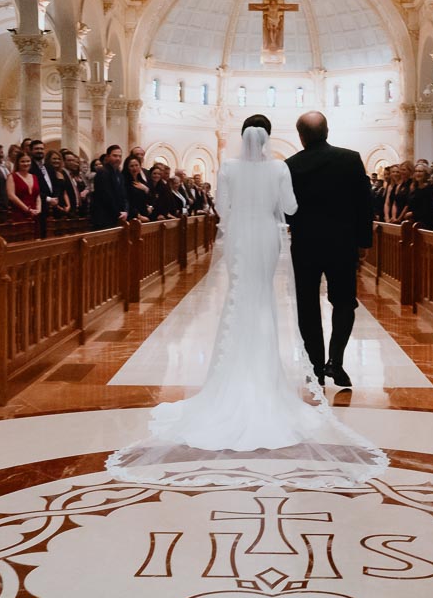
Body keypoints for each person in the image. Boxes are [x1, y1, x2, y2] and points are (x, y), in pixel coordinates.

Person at [106, 120, 386, 489]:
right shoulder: (291, 165)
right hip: (293, 241)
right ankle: (323, 364)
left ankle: (308, 366)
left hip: (249, 240)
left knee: (255, 300)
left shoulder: (248, 166)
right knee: (305, 302)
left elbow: (226, 207)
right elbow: (293, 206)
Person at [286, 111, 374, 390]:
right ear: (327, 131)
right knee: (345, 301)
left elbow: (287, 211)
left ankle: (315, 366)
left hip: (305, 246)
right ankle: (336, 361)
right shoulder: (350, 158)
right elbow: (364, 203)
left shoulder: (290, 165)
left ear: (300, 136)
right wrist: (364, 242)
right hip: (342, 244)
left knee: (308, 305)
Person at [89, 145, 129, 230]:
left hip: (118, 216)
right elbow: (106, 196)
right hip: (104, 218)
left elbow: (123, 195)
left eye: (120, 156)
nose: (118, 158)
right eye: (115, 156)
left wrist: (125, 211)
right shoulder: (102, 172)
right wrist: (118, 213)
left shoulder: (119, 174)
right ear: (107, 157)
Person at [6, 151, 42, 226]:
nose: (26, 164)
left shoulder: (34, 177)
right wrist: (27, 209)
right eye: (22, 161)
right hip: (19, 212)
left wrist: (39, 209)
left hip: (34, 213)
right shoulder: (12, 176)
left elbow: (38, 195)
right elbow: (11, 196)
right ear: (18, 163)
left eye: (28, 161)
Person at [407, 161, 433, 229]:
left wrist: (412, 214)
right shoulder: (415, 188)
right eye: (416, 171)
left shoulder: (429, 188)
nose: (418, 173)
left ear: (426, 173)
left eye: (420, 171)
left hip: (426, 223)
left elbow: (428, 209)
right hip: (415, 222)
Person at [124, 155, 153, 220]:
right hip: (133, 217)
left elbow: (149, 198)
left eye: (137, 165)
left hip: (145, 214)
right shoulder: (125, 182)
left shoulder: (141, 181)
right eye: (132, 166)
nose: (135, 168)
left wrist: (146, 189)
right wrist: (138, 216)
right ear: (127, 168)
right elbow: (128, 202)